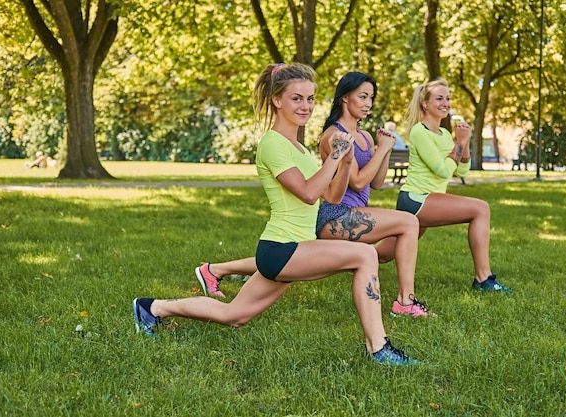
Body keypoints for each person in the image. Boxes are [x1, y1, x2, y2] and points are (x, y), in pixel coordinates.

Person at [133, 63, 416, 366]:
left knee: (234, 315)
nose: (305, 106)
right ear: (277, 100)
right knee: (365, 255)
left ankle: (152, 307)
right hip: (282, 249)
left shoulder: (300, 147)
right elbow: (307, 193)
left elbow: (330, 197)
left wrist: (345, 162)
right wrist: (334, 157)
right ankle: (379, 348)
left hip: (296, 247)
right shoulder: (272, 145)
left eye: (310, 99)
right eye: (296, 98)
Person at [196, 71, 433, 318]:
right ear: (345, 98)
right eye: (362, 96)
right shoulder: (333, 135)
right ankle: (404, 303)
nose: (368, 103)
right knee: (405, 224)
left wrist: (383, 151)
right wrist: (367, 151)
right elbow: (352, 182)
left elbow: (375, 183)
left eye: (371, 98)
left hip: (316, 221)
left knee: (236, 313)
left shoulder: (360, 137)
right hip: (333, 215)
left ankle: (211, 272)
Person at [393, 78, 511, 293]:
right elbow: (443, 170)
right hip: (416, 199)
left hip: (429, 199)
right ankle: (483, 279)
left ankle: (358, 259)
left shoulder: (445, 134)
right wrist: (459, 143)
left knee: (385, 252)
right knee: (480, 208)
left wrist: (463, 143)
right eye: (439, 98)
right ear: (425, 104)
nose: (445, 102)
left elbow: (462, 171)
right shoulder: (419, 132)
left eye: (447, 98)